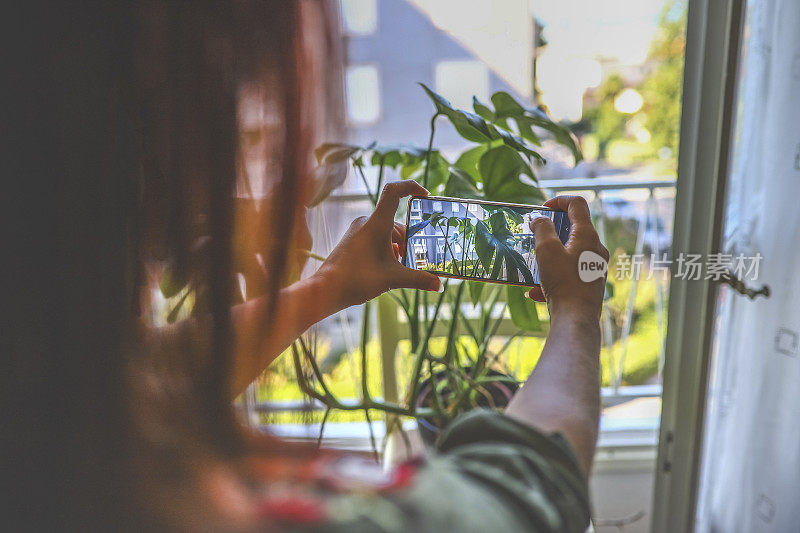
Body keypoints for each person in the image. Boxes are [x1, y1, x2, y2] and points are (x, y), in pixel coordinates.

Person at [6, 1, 609, 531]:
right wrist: (578, 306)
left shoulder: (51, 424)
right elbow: (529, 487)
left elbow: (150, 372)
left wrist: (326, 289)